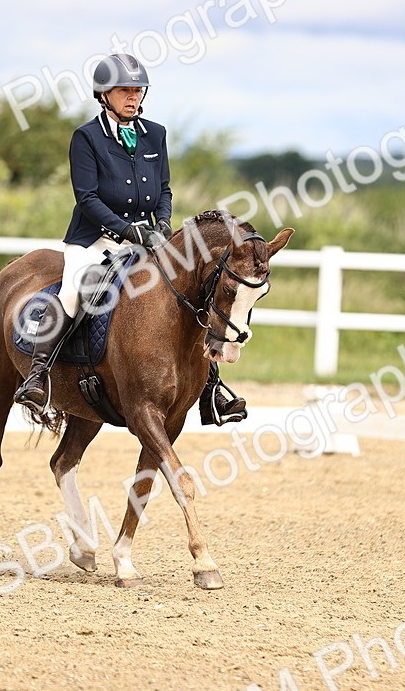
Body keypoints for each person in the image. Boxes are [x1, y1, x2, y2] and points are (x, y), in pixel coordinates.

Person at [13, 53, 246, 425]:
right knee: (74, 290)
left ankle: (210, 389)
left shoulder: (156, 134)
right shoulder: (87, 137)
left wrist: (163, 221)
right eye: (124, 91)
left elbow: (164, 189)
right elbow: (87, 198)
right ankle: (38, 377)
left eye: (138, 91)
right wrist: (126, 230)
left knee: (192, 292)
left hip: (146, 242)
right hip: (95, 241)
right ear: (104, 95)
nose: (133, 97)